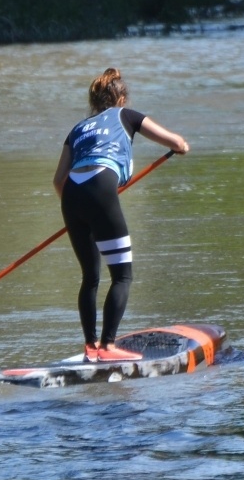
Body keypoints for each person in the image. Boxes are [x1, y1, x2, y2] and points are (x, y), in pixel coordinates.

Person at [53, 68, 189, 361]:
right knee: (122, 276)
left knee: (90, 277)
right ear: (122, 98)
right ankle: (108, 347)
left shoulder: (77, 129)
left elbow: (57, 181)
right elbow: (175, 143)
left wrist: (79, 210)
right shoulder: (126, 116)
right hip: (100, 188)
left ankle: (90, 346)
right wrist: (182, 147)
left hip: (72, 196)